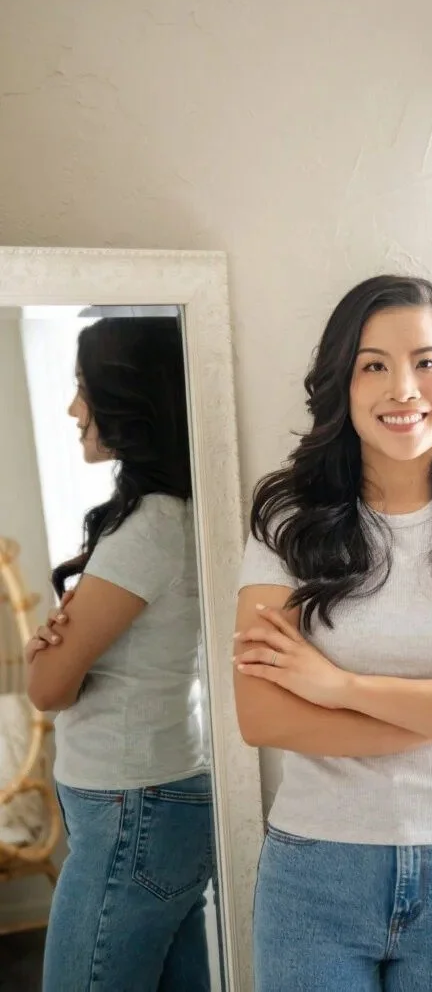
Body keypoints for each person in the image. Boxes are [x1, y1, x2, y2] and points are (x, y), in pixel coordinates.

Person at [233, 275, 432, 991]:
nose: (403, 388)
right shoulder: (288, 526)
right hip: (316, 871)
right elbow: (262, 716)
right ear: (342, 387)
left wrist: (338, 688)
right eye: (373, 365)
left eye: (426, 362)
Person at [25, 317, 214, 992]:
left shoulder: (149, 529)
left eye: (83, 389)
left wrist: (44, 651)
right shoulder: (171, 516)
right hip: (152, 798)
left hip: (132, 808)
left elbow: (48, 688)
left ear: (127, 401)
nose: (74, 409)